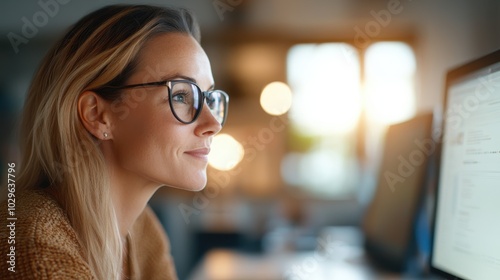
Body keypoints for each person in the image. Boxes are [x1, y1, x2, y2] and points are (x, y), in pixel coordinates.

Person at [0, 4, 228, 280]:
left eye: (209, 98)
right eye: (181, 95)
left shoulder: (143, 233)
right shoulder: (28, 236)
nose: (213, 125)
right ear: (98, 115)